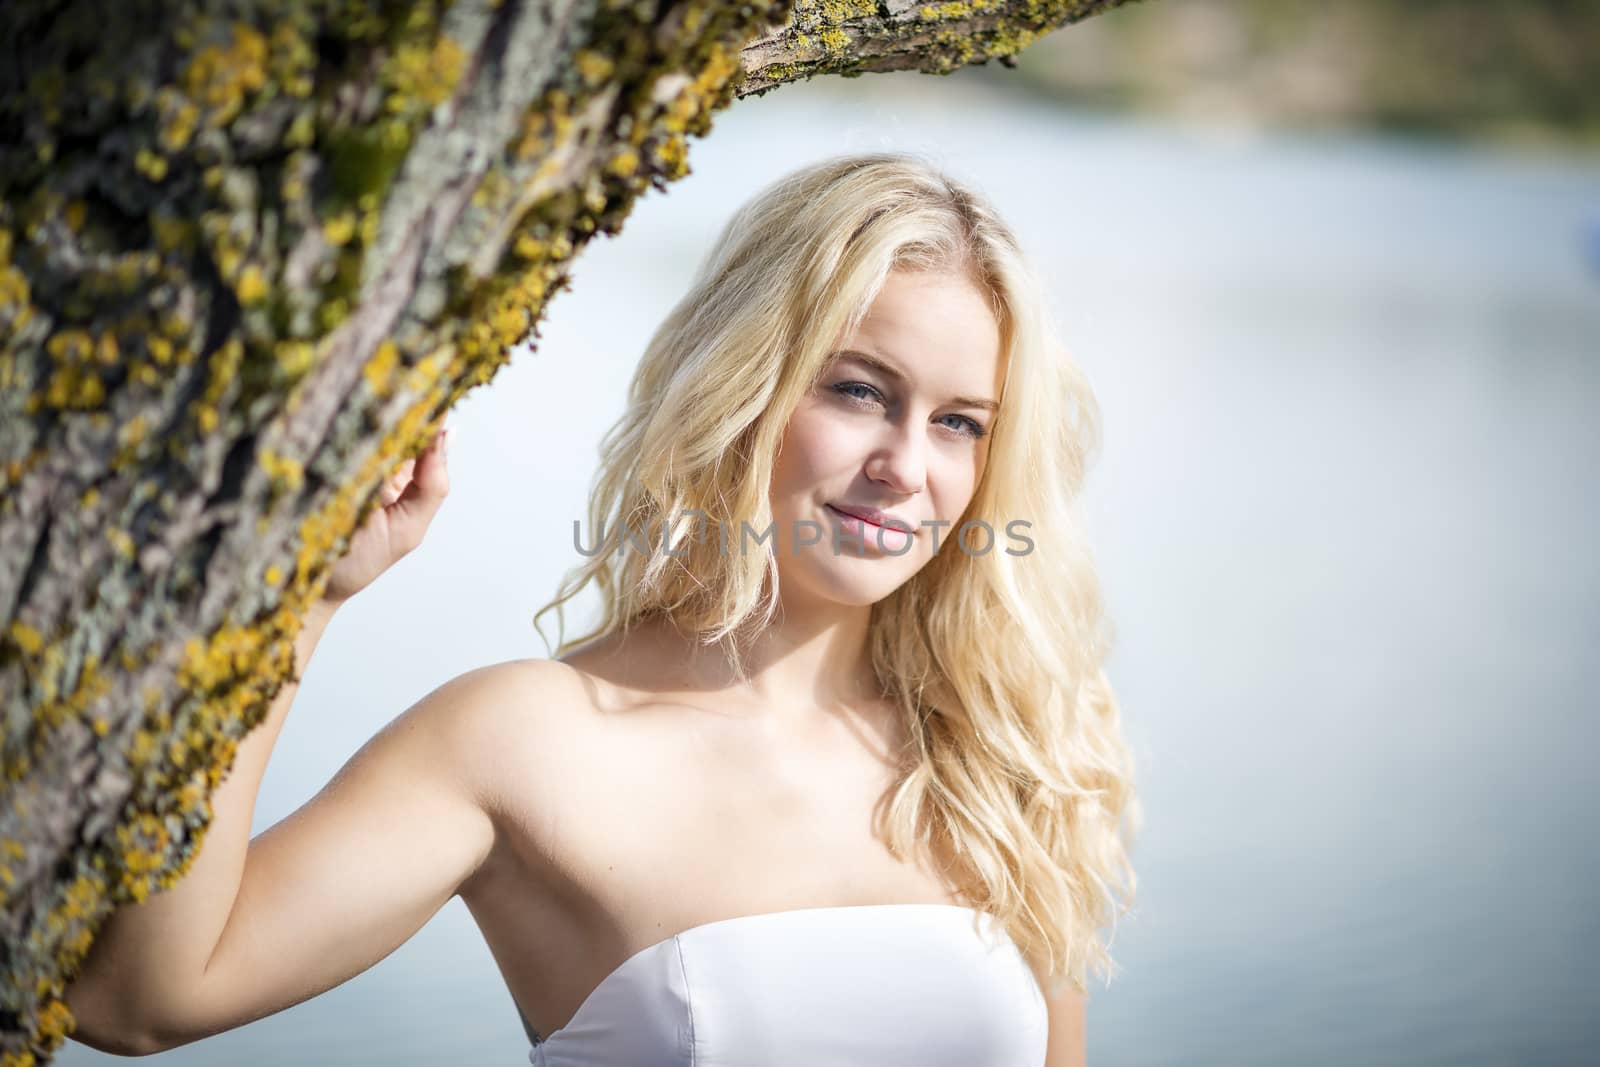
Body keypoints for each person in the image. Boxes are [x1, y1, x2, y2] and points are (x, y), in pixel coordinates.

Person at [64, 151, 1139, 1066]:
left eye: (960, 422)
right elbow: (143, 996)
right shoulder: (526, 739)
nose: (906, 464)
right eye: (859, 389)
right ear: (744, 382)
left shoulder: (1005, 743)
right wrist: (293, 596)